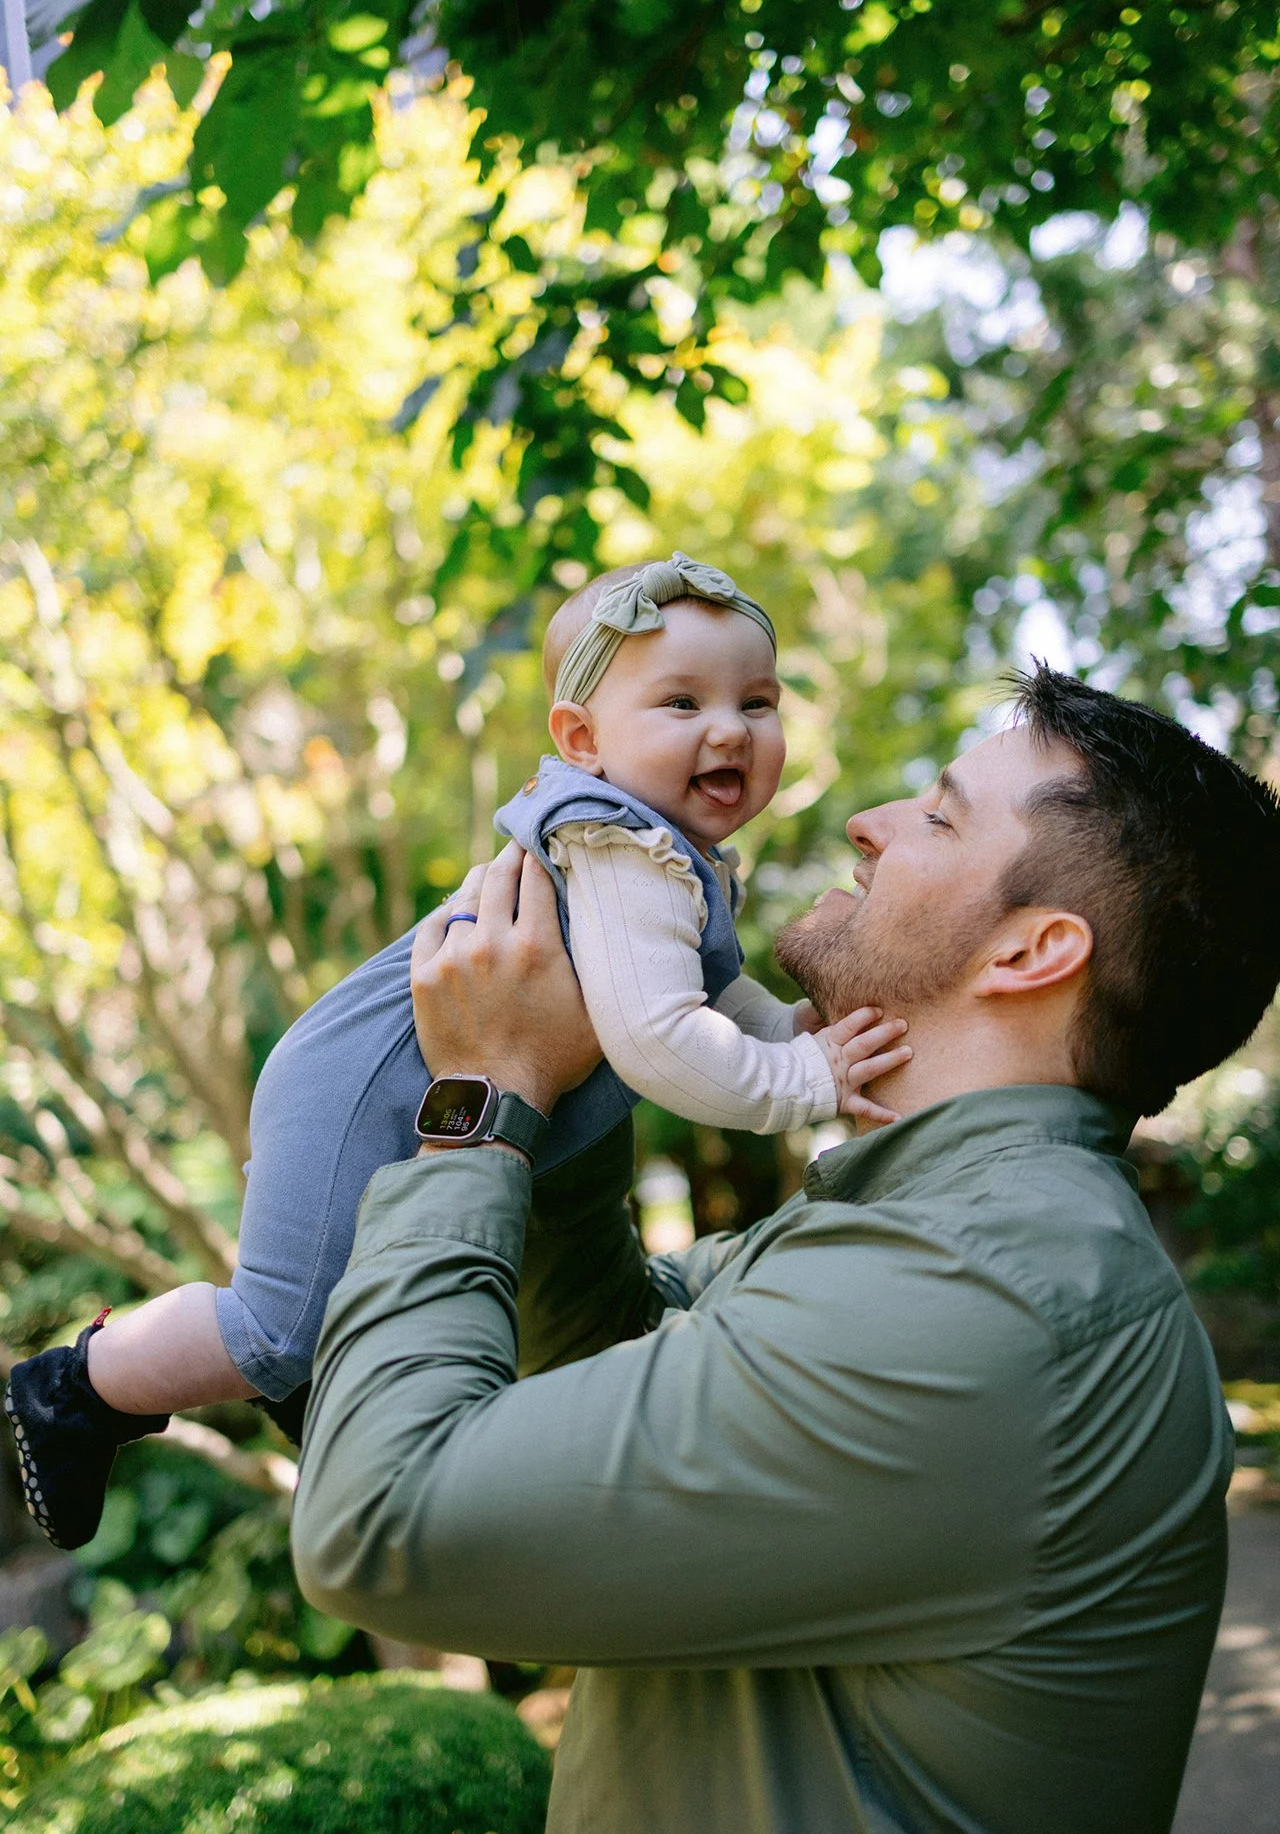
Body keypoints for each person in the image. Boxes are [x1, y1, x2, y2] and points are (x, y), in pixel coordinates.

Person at [292, 666, 1280, 1834]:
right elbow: (591, 1359)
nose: (869, 823)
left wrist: (482, 1097)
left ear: (1030, 953)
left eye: (939, 815)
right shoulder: (917, 1229)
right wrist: (589, 1038)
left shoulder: (988, 1293)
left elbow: (382, 1526)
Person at [5, 554, 905, 1551]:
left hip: (391, 1082)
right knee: (271, 1328)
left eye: (758, 700)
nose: (729, 728)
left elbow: (707, 996)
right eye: (681, 702)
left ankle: (297, 1381)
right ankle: (72, 1389)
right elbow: (659, 1042)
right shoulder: (618, 850)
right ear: (582, 740)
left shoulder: (667, 854)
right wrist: (803, 1085)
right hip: (361, 1090)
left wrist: (790, 1032)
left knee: (335, 1317)